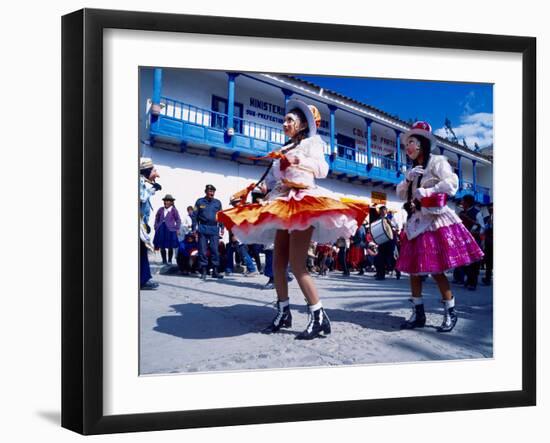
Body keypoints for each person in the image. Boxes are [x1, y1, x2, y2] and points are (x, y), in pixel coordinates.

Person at [217, 99, 369, 339]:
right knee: (277, 264)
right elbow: (273, 180)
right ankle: (283, 311)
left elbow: (322, 169)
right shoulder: (283, 149)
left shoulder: (312, 143)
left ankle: (319, 316)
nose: (284, 123)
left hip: (303, 204)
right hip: (282, 201)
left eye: (290, 120)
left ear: (300, 125)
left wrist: (298, 160)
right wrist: (251, 190)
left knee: (298, 265)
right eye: (284, 119)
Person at [395, 121, 484, 333]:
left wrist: (429, 191)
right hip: (416, 222)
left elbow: (452, 183)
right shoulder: (413, 170)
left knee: (436, 269)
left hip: (433, 221)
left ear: (422, 144)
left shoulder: (437, 162)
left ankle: (450, 312)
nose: (408, 147)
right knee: (414, 271)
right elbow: (400, 194)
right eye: (407, 143)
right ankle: (419, 314)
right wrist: (407, 180)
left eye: (412, 142)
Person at [139, 157, 162, 290]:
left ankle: (143, 278)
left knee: (141, 251)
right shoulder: (139, 181)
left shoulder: (141, 181)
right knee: (141, 251)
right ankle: (143, 279)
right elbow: (141, 197)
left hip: (141, 222)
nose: (156, 173)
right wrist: (153, 189)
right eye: (153, 170)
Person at [193, 184, 224, 280]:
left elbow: (221, 216)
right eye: (210, 191)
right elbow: (195, 216)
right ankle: (203, 271)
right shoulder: (199, 202)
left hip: (214, 229)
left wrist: (222, 227)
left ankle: (215, 271)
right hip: (203, 228)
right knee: (203, 250)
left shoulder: (217, 202)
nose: (211, 193)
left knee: (215, 250)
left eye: (213, 191)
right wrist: (194, 229)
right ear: (206, 192)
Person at [454, 194, 485, 290]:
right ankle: (467, 280)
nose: (461, 203)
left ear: (467, 203)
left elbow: (482, 227)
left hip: (474, 241)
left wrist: (473, 231)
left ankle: (473, 283)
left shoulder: (477, 213)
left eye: (463, 201)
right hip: (463, 241)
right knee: (465, 261)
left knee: (474, 263)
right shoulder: (462, 213)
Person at [153, 194, 182, 265]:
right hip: (161, 229)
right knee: (162, 245)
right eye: (165, 201)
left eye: (168, 201)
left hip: (170, 230)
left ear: (171, 202)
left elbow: (178, 219)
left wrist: (177, 228)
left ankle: (169, 260)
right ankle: (164, 260)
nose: (166, 202)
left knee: (170, 246)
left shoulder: (174, 210)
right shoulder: (160, 209)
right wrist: (156, 226)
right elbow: (157, 218)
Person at [481, 203, 493, 285]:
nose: (490, 209)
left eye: (491, 208)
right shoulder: (486, 218)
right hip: (488, 242)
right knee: (488, 261)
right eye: (489, 208)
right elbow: (484, 228)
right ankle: (487, 278)